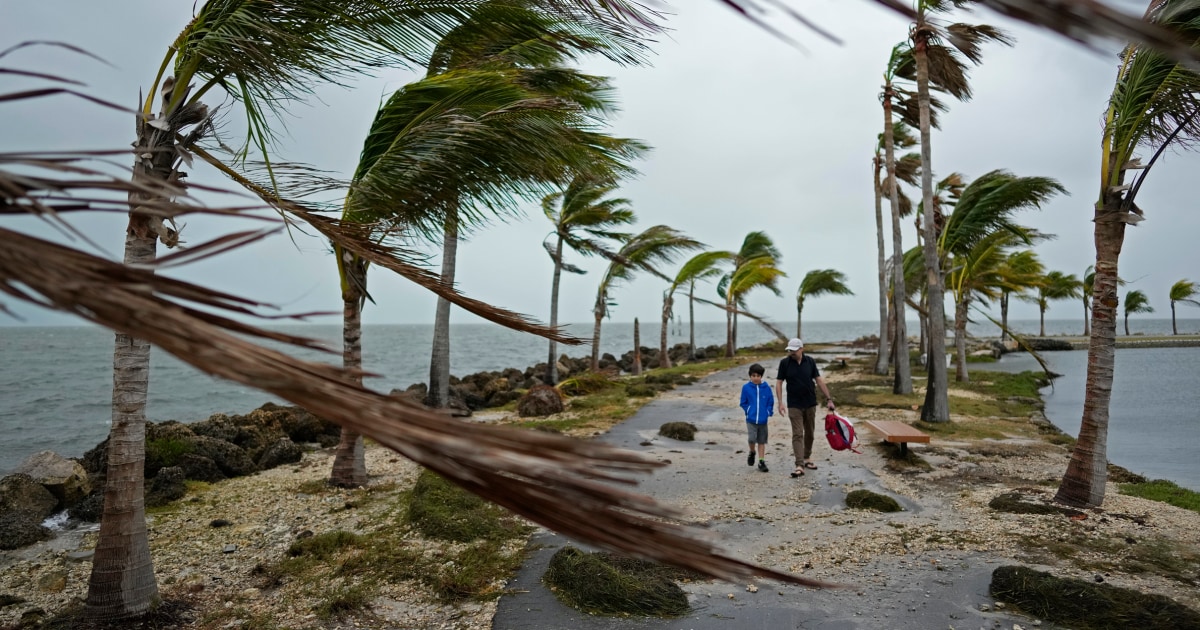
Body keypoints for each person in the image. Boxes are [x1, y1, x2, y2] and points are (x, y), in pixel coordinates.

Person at [775, 337, 835, 478]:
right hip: (794, 404)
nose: (792, 352)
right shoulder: (784, 363)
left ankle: (807, 458)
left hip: (810, 403)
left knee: (810, 433)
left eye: (794, 350)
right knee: (797, 434)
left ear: (802, 349)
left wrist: (829, 399)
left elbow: (818, 380)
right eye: (790, 350)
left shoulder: (810, 361)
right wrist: (780, 402)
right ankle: (799, 464)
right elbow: (779, 382)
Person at [739, 363, 774, 473]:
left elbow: (770, 401)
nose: (755, 378)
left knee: (761, 441)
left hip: (763, 420)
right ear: (750, 376)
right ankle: (752, 452)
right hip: (751, 419)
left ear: (761, 376)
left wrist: (768, 411)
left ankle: (761, 461)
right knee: (751, 439)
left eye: (758, 376)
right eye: (753, 376)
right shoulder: (746, 388)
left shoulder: (766, 388)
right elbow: (743, 402)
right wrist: (748, 410)